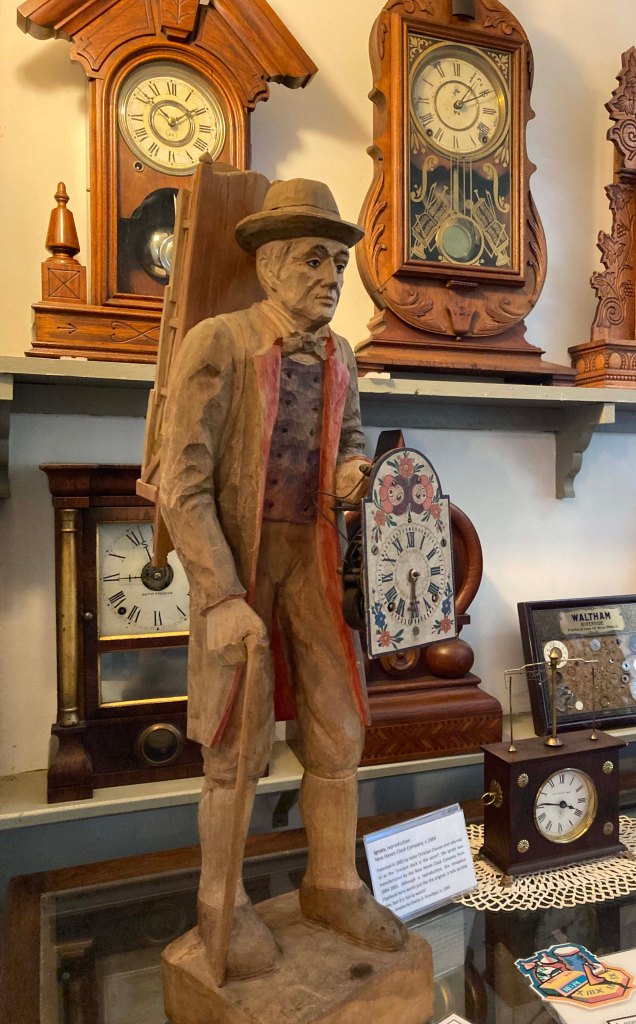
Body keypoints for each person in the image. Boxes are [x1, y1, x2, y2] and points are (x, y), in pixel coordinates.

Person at [160, 178, 407, 979]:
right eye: (314, 259)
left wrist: (353, 472)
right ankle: (222, 905)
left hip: (313, 560)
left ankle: (332, 884)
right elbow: (181, 483)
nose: (332, 277)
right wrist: (222, 595)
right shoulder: (220, 343)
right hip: (241, 563)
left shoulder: (341, 358)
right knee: (235, 746)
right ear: (269, 266)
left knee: (339, 730)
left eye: (338, 262)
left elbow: (351, 440)